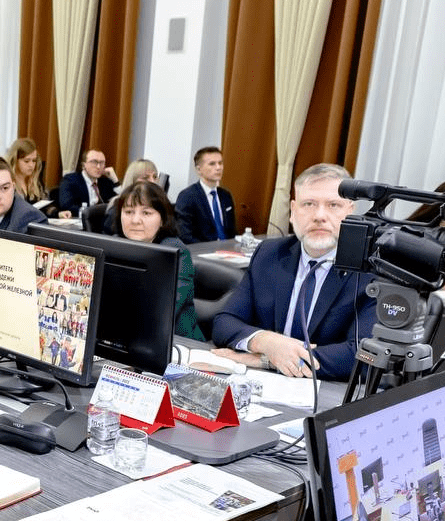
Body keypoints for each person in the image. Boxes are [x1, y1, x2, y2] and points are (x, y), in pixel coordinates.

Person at [211, 163, 376, 381]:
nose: (319, 216)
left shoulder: (372, 270)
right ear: (292, 211)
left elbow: (363, 355)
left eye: (333, 205)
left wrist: (268, 359)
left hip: (328, 393)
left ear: (350, 213)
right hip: (262, 387)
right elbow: (224, 322)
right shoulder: (269, 254)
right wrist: (267, 342)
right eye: (308, 204)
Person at [113, 181, 202, 340]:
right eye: (128, 212)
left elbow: (163, 311)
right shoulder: (114, 246)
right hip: (126, 338)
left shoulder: (176, 253)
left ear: (162, 219)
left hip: (178, 344)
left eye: (146, 213)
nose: (135, 220)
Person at [174, 146, 236, 244]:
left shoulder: (225, 195)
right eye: (212, 164)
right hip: (202, 252)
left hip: (228, 251)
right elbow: (184, 235)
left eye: (220, 163)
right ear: (199, 169)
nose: (218, 168)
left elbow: (231, 231)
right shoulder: (187, 196)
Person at [58, 149, 117, 217]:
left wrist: (115, 180)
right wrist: (92, 213)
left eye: (102, 163)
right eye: (94, 162)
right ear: (84, 165)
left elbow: (120, 204)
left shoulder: (105, 182)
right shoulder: (70, 180)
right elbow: (66, 205)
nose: (98, 166)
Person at [6, 137, 45, 204]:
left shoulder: (36, 180)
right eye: (26, 161)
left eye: (34, 161)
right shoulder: (7, 182)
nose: (31, 165)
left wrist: (58, 213)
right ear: (15, 160)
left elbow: (45, 204)